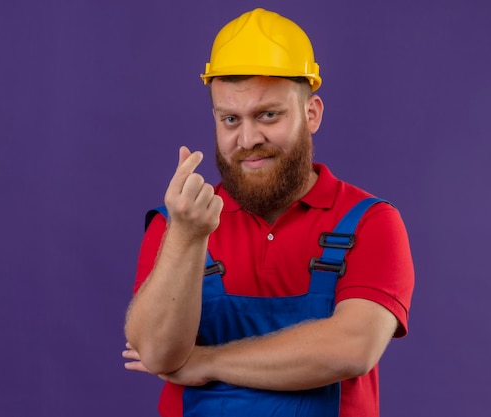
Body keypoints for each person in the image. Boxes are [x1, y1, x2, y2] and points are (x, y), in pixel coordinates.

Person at [123, 8, 414, 417]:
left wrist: (206, 362)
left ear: (311, 114)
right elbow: (156, 352)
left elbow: (352, 348)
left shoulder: (370, 221)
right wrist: (188, 239)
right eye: (230, 119)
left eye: (268, 115)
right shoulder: (180, 222)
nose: (248, 138)